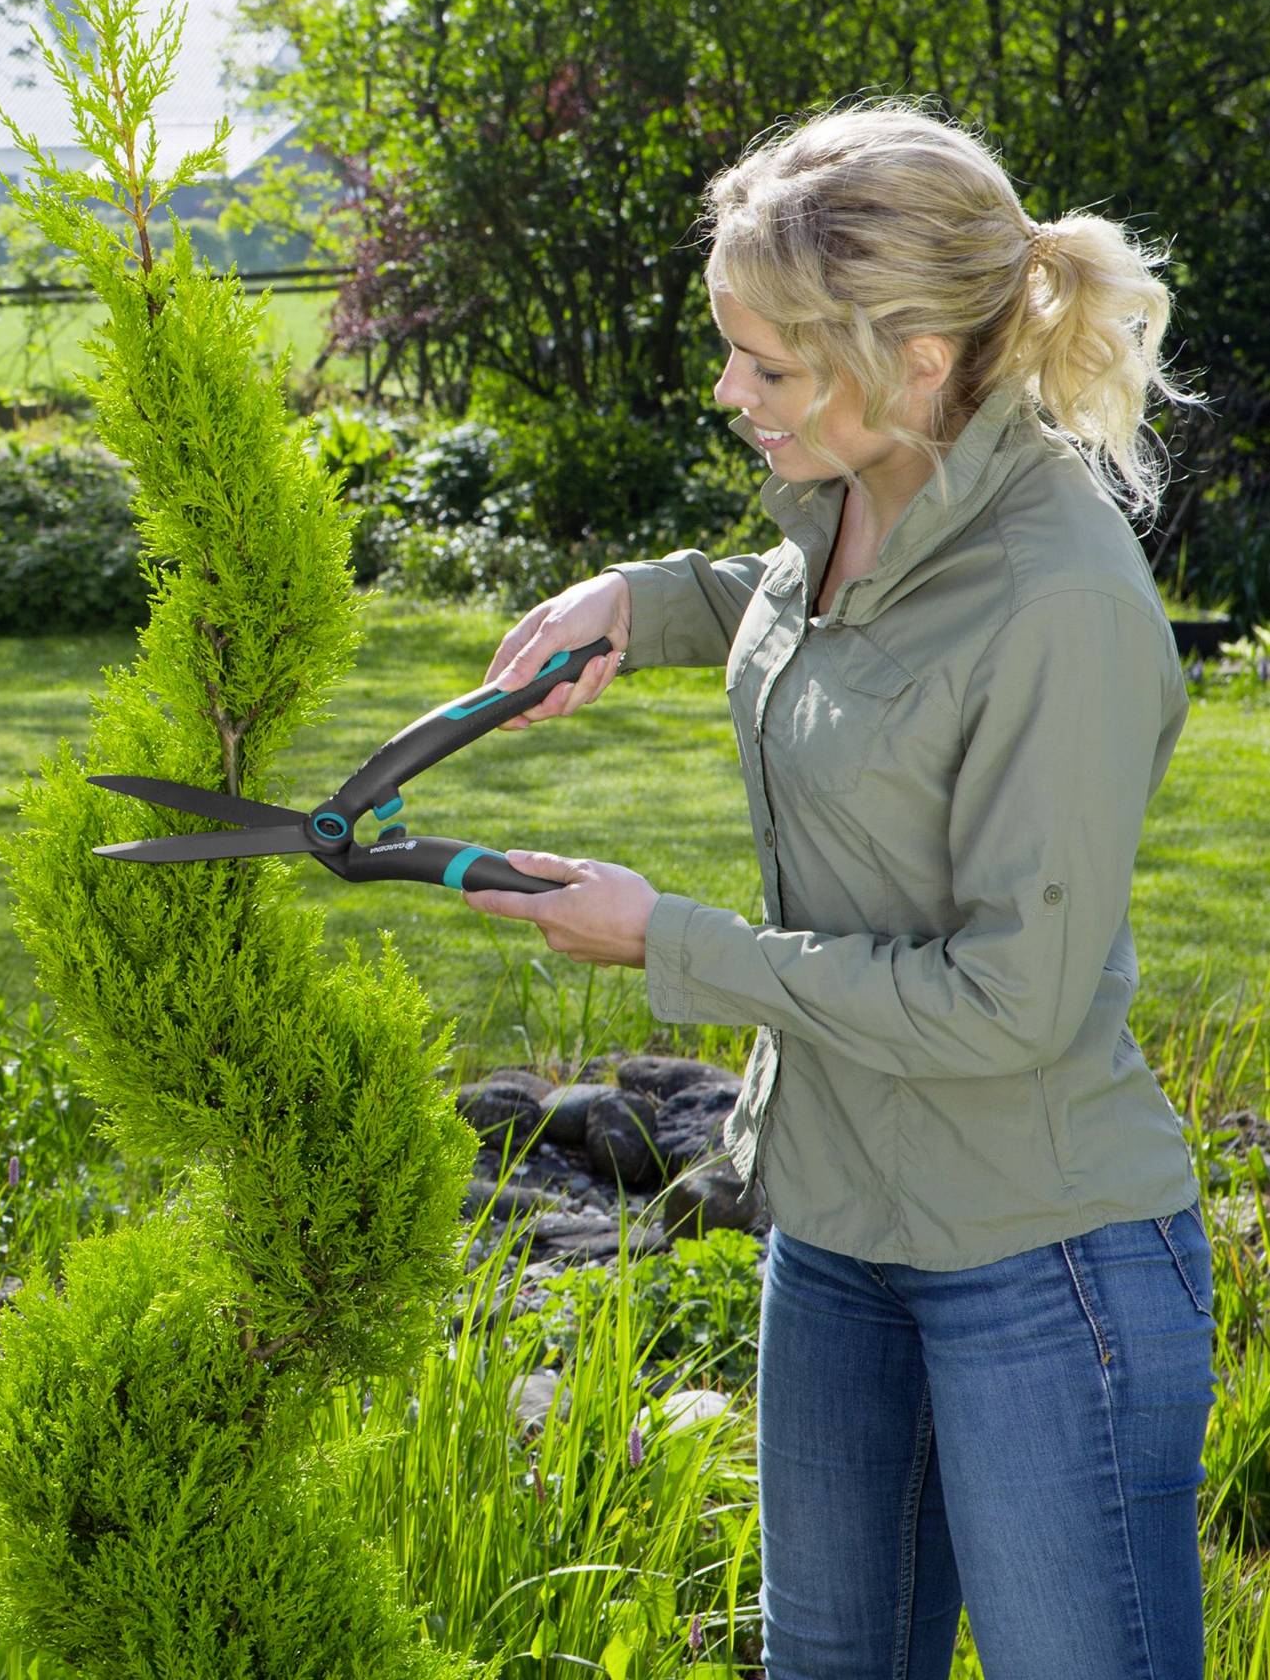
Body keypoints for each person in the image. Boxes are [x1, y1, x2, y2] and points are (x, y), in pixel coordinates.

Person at [457, 101, 1217, 1678]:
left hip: (1039, 1260)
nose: (730, 393)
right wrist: (646, 601)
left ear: (919, 357)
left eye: (768, 365)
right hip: (842, 1224)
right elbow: (845, 633)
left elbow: (1007, 1002)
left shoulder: (1058, 601)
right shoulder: (865, 500)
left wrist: (666, 942)